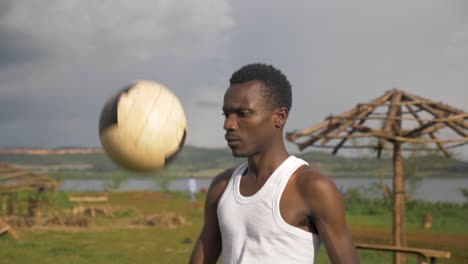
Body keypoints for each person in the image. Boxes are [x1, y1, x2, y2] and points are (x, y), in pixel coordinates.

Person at [189, 63, 359, 263]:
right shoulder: (222, 186)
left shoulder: (311, 188)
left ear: (279, 117)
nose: (228, 124)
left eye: (242, 114)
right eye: (226, 114)